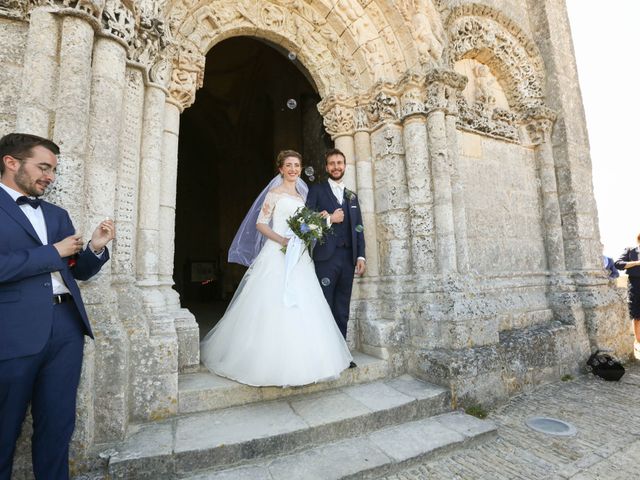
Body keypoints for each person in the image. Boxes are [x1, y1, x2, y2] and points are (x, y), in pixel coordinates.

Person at [0, 133, 115, 479]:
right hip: (12, 330)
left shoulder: (56, 214)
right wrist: (52, 252)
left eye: (53, 170)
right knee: (5, 425)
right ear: (11, 162)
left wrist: (95, 248)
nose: (50, 176)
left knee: (58, 423)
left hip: (66, 327)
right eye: (43, 167)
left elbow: (76, 271)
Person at [200, 150, 352, 387]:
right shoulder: (274, 194)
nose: (293, 169)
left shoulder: (303, 197)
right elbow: (261, 224)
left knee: (304, 304)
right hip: (277, 253)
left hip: (299, 258)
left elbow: (306, 224)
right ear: (280, 169)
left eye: (297, 165)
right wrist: (281, 240)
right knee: (273, 302)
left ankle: (306, 361)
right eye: (288, 165)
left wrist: (320, 220)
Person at [306, 149, 365, 364]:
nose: (336, 166)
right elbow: (306, 221)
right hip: (325, 258)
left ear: (345, 165)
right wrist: (330, 219)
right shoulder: (317, 191)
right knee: (324, 306)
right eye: (332, 163)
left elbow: (359, 228)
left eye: (339, 163)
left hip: (348, 259)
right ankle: (322, 355)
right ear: (326, 167)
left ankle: (341, 355)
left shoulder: (352, 196)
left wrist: (361, 256)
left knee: (342, 308)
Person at [615, 235, 640, 354]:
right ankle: (638, 342)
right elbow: (618, 264)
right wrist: (637, 263)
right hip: (635, 285)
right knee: (637, 315)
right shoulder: (630, 250)